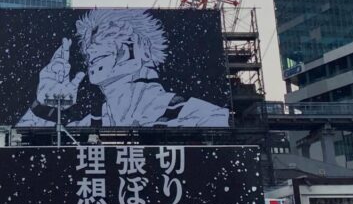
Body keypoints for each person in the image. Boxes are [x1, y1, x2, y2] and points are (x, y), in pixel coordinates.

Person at [17, 9, 229, 126]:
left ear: (142, 48)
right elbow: (19, 155)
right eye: (91, 42)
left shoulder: (203, 117)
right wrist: (44, 103)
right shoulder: (89, 126)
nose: (94, 46)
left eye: (110, 35)